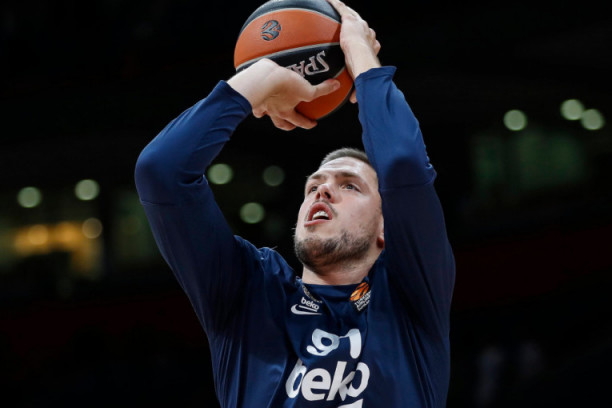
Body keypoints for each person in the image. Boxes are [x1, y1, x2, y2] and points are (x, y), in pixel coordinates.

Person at [134, 0, 455, 406]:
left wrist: (358, 52)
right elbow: (161, 173)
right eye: (313, 186)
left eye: (350, 186)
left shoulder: (409, 293)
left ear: (385, 228)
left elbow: (402, 163)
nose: (322, 191)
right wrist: (260, 78)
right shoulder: (249, 293)